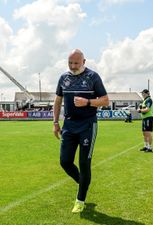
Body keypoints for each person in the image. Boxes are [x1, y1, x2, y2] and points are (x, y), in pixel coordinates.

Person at [53, 49, 109, 213]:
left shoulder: (93, 77)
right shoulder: (63, 78)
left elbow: (105, 100)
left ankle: (80, 200)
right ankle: (83, 182)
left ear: (84, 62)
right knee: (65, 162)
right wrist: (55, 122)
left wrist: (87, 102)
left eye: (76, 63)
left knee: (84, 163)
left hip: (87, 125)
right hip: (69, 125)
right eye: (70, 63)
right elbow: (57, 101)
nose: (73, 66)